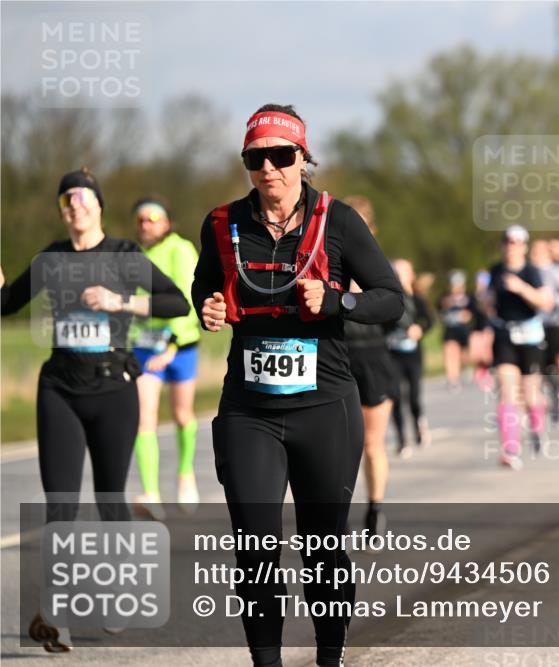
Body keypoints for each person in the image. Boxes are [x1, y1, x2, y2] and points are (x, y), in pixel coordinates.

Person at [191, 104, 403, 667]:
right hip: (249, 410)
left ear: (303, 161)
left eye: (282, 157)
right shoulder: (221, 224)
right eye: (257, 159)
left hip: (325, 408)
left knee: (323, 548)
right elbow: (203, 288)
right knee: (256, 548)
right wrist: (208, 308)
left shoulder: (339, 222)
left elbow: (391, 298)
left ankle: (329, 659)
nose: (270, 170)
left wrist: (338, 300)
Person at [1, 168, 190, 652]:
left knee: (110, 499)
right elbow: (6, 304)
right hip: (59, 388)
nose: (75, 205)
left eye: (83, 197)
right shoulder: (51, 258)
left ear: (99, 206)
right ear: (62, 209)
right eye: (67, 199)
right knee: (60, 503)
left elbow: (175, 302)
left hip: (114, 390)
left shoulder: (126, 255)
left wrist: (121, 302)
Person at [129, 196, 203, 520]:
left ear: (167, 222)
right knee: (144, 417)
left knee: (182, 415)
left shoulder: (180, 249)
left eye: (153, 218)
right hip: (145, 346)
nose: (146, 224)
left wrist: (171, 343)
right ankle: (151, 492)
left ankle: (185, 474)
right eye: (141, 219)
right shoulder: (134, 256)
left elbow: (188, 298)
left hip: (181, 344)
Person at [341, 195, 398, 537]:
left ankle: (375, 511)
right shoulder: (326, 264)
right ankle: (339, 517)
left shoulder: (379, 269)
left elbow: (396, 315)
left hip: (374, 360)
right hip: (337, 359)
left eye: (359, 224)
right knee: (339, 448)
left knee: (372, 446)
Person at [484, 225, 554, 468]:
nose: (511, 247)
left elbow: (546, 302)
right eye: (507, 242)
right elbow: (487, 302)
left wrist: (521, 288)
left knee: (531, 391)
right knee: (507, 389)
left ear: (524, 246)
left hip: (531, 335)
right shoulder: (495, 271)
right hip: (505, 334)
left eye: (516, 242)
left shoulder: (532, 272)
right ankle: (510, 448)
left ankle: (537, 427)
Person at [388, 258, 434, 456]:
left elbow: (430, 321)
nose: (399, 276)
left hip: (413, 354)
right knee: (396, 396)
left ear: (411, 275)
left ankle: (418, 422)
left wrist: (419, 329)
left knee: (413, 395)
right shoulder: (387, 299)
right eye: (395, 272)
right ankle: (401, 440)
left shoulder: (418, 299)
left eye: (403, 272)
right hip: (392, 353)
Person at [530, 239, 559, 424]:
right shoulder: (528, 272)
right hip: (534, 326)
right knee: (538, 365)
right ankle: (543, 398)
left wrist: (552, 300)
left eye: (539, 252)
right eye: (533, 252)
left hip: (554, 323)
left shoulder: (554, 271)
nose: (535, 256)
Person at [439, 270, 481, 391]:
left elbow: (475, 313)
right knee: (450, 353)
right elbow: (439, 311)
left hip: (464, 330)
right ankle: (453, 379)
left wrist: (468, 315)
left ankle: (465, 368)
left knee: (464, 355)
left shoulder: (469, 298)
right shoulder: (445, 298)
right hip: (450, 330)